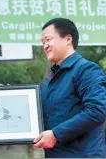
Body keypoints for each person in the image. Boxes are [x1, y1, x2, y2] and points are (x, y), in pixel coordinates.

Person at [33, 18, 106, 157]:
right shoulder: (51, 78)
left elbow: (97, 111)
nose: (45, 46)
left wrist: (56, 134)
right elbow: (36, 111)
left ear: (68, 39)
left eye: (48, 39)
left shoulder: (87, 70)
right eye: (43, 42)